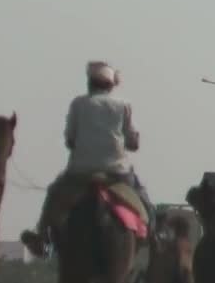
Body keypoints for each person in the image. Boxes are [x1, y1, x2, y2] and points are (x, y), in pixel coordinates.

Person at [20, 61, 157, 258]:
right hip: (117, 173)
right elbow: (133, 141)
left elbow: (70, 140)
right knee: (145, 203)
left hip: (80, 173)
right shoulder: (123, 106)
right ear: (111, 85)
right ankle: (153, 237)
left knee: (54, 194)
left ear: (90, 83)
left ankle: (41, 236)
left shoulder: (78, 104)